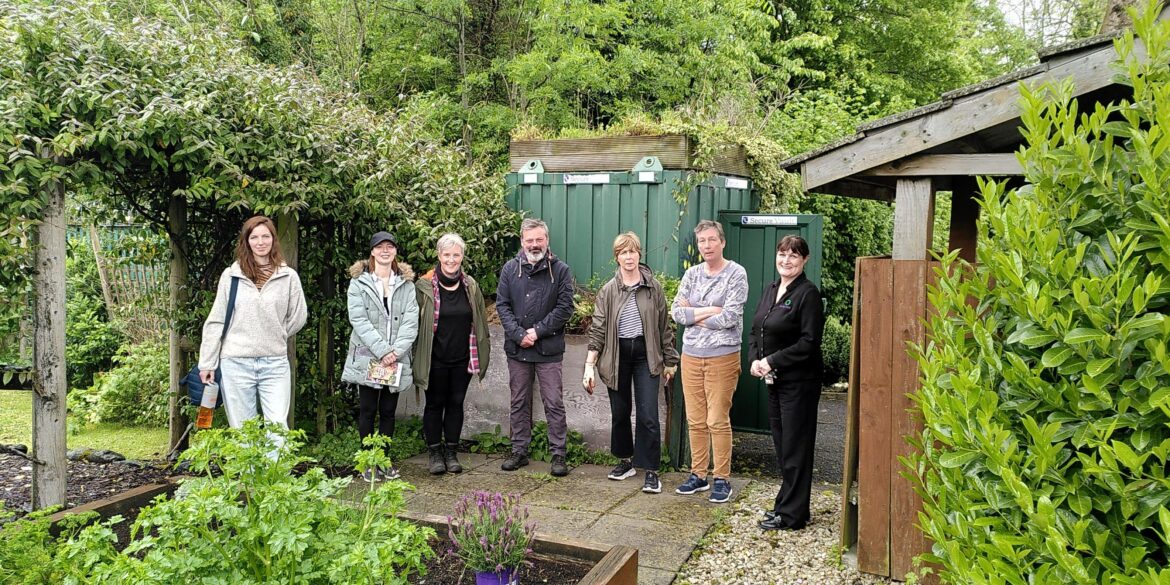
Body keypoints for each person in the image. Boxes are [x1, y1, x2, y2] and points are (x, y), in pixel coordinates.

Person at [199, 215, 308, 447]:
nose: (260, 242)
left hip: (275, 363)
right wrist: (207, 363)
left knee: (278, 429)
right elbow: (216, 320)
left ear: (273, 240)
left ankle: (274, 482)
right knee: (243, 431)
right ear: (246, 241)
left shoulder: (288, 277)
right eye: (254, 237)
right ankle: (249, 483)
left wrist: (275, 334)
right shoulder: (231, 276)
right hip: (236, 363)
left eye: (265, 236)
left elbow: (298, 316)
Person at [582, 232, 679, 494]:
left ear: (639, 254)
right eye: (623, 252)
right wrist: (589, 365)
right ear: (617, 257)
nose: (628, 257)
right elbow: (598, 329)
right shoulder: (608, 291)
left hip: (645, 356)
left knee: (648, 415)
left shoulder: (653, 288)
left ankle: (651, 470)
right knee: (620, 412)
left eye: (632, 251)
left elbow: (664, 327)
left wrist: (670, 361)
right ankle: (626, 461)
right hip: (617, 356)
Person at [670, 219, 748, 503]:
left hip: (722, 357)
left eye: (712, 240)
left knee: (717, 419)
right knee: (696, 420)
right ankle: (698, 475)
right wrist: (709, 311)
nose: (707, 245)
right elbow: (677, 313)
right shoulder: (692, 274)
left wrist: (695, 314)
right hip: (691, 356)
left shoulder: (736, 274)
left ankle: (722, 478)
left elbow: (730, 317)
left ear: (722, 242)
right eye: (702, 241)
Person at [750, 235, 825, 531]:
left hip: (800, 383)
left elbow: (809, 342)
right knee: (783, 446)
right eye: (782, 254)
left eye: (794, 256)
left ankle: (792, 516)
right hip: (774, 381)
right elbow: (756, 330)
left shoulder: (808, 295)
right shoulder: (770, 289)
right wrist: (756, 359)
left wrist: (772, 360)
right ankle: (789, 505)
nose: (786, 260)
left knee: (795, 446)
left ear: (804, 260)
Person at [495, 218, 575, 477]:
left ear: (547, 240)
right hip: (518, 349)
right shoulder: (510, 269)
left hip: (548, 349)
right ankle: (519, 451)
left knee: (554, 402)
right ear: (522, 241)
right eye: (529, 240)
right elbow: (502, 305)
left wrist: (537, 331)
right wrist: (519, 335)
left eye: (539, 239)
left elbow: (565, 308)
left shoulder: (560, 270)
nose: (534, 244)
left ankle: (558, 455)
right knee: (519, 401)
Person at [342, 231, 419, 481]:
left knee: (388, 411)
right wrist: (384, 351)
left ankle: (384, 461)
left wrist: (396, 351)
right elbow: (359, 320)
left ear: (395, 252)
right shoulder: (358, 283)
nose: (385, 251)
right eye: (380, 247)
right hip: (369, 357)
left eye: (390, 246)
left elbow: (411, 320)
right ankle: (367, 461)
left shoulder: (406, 285)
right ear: (372, 252)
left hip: (395, 359)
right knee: (367, 410)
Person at [414, 233, 491, 475]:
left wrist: (482, 351)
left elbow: (480, 319)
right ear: (439, 256)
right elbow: (414, 322)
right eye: (446, 255)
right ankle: (435, 453)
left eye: (456, 255)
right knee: (435, 404)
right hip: (434, 358)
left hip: (463, 357)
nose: (451, 260)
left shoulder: (471, 286)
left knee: (456, 404)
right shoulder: (423, 286)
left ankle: (452, 452)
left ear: (462, 257)